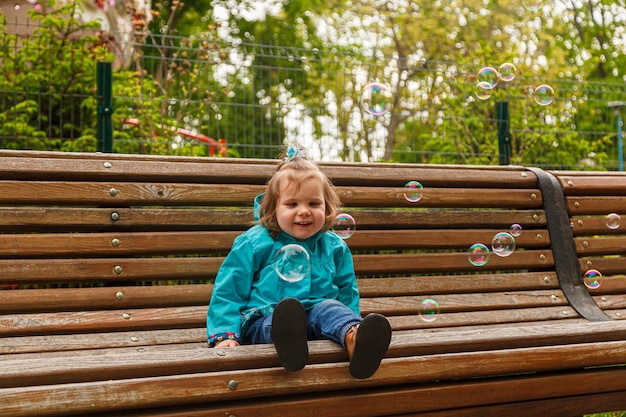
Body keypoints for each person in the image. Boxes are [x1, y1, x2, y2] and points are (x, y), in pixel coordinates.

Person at [206, 146, 392, 379]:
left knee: (331, 309)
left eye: (314, 204)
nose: (304, 211)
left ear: (326, 207)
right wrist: (225, 335)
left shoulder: (333, 246)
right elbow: (229, 291)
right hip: (264, 318)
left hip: (317, 319)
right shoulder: (254, 243)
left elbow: (347, 291)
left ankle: (356, 340)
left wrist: (350, 319)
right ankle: (289, 343)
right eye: (292, 204)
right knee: (275, 322)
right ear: (273, 208)